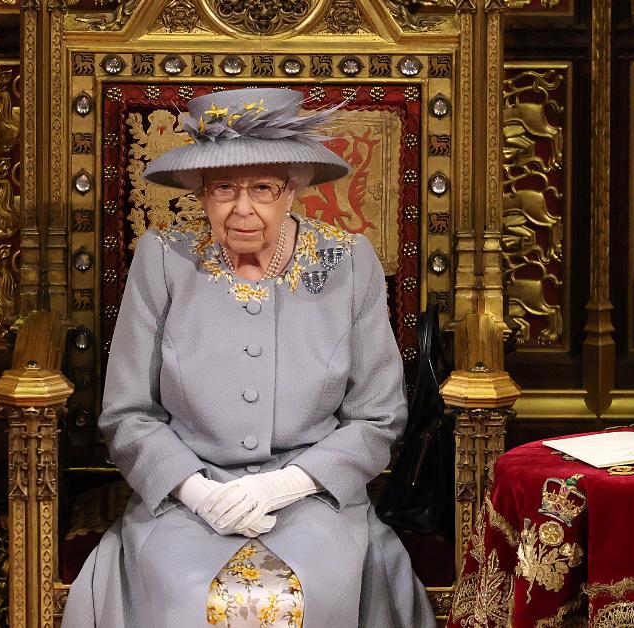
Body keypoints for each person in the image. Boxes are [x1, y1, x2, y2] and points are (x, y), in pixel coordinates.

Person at [62, 87, 434, 628]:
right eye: (223, 189)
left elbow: (377, 417)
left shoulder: (348, 261)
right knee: (184, 603)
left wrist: (283, 485)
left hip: (313, 496)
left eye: (263, 188)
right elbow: (127, 414)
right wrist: (196, 491)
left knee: (308, 601)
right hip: (186, 500)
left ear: (293, 191)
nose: (243, 209)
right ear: (199, 193)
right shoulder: (163, 260)